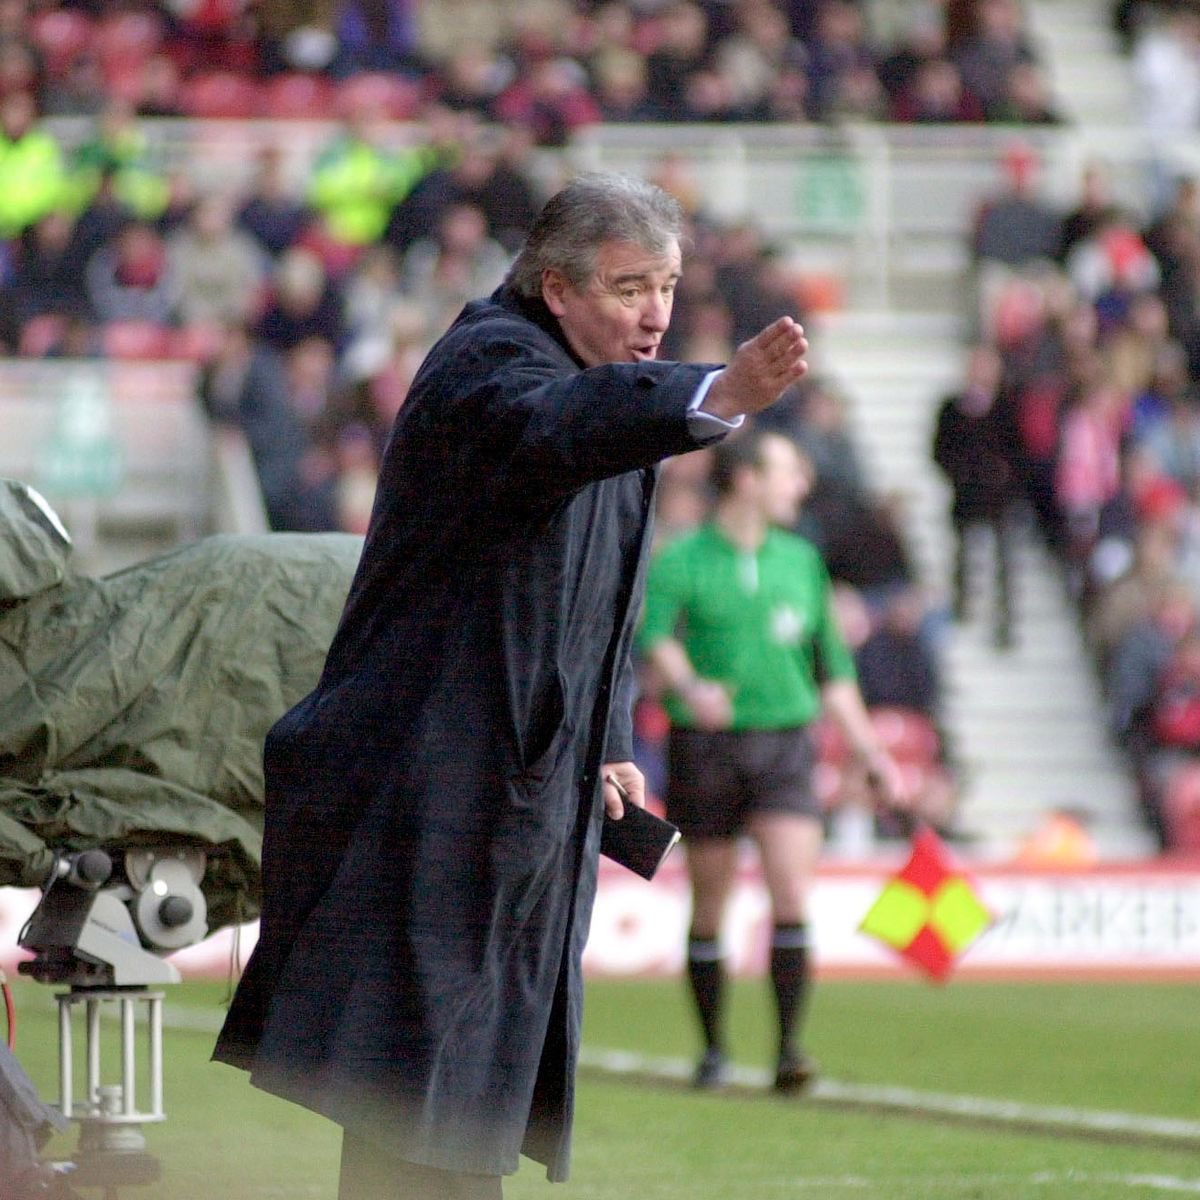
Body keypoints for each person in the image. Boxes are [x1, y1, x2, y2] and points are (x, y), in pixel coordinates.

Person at [212, 173, 809, 1200]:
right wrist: (715, 398)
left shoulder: (610, 386)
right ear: (553, 284)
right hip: (431, 789)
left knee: (469, 1094)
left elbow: (606, 607)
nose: (657, 314)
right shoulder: (490, 367)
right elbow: (559, 428)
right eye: (629, 286)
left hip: (520, 793)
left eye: (665, 285)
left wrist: (609, 735)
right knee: (419, 1091)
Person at [636, 429, 904, 1094]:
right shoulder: (682, 559)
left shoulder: (802, 561)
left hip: (786, 742)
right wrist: (690, 687)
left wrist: (871, 751)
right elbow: (654, 642)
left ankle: (789, 1050)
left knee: (790, 890)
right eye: (788, 473)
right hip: (706, 748)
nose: (800, 487)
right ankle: (714, 1050)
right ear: (748, 480)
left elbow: (832, 671)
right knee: (711, 901)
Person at [932, 342, 1023, 649]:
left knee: (1004, 563)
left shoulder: (1006, 408)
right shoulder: (952, 409)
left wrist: (1002, 477)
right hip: (965, 496)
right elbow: (940, 451)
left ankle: (1005, 624)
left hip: (999, 498)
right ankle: (961, 608)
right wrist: (961, 475)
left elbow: (1019, 452)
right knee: (963, 556)